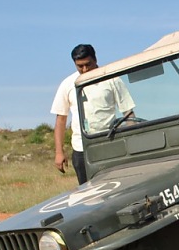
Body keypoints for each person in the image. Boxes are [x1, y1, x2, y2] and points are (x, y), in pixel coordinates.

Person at [51, 44, 135, 185]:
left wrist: (132, 141)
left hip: (110, 144)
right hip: (82, 149)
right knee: (88, 192)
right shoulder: (68, 84)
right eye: (80, 66)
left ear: (95, 59)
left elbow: (128, 113)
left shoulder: (111, 79)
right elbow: (61, 119)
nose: (84, 70)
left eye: (88, 65)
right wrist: (59, 152)